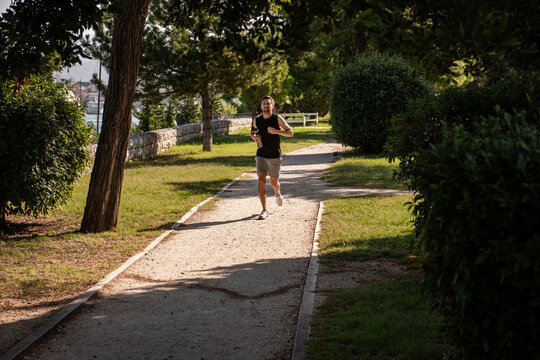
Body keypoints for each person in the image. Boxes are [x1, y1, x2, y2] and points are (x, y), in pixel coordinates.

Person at [250, 95, 293, 220]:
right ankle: (264, 209)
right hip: (261, 154)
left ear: (272, 106)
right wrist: (254, 138)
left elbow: (291, 133)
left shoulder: (277, 119)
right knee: (261, 180)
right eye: (264, 103)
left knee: (274, 182)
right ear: (261, 106)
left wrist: (277, 131)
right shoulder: (256, 120)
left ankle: (277, 193)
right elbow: (252, 132)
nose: (266, 106)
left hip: (274, 155)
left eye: (268, 103)